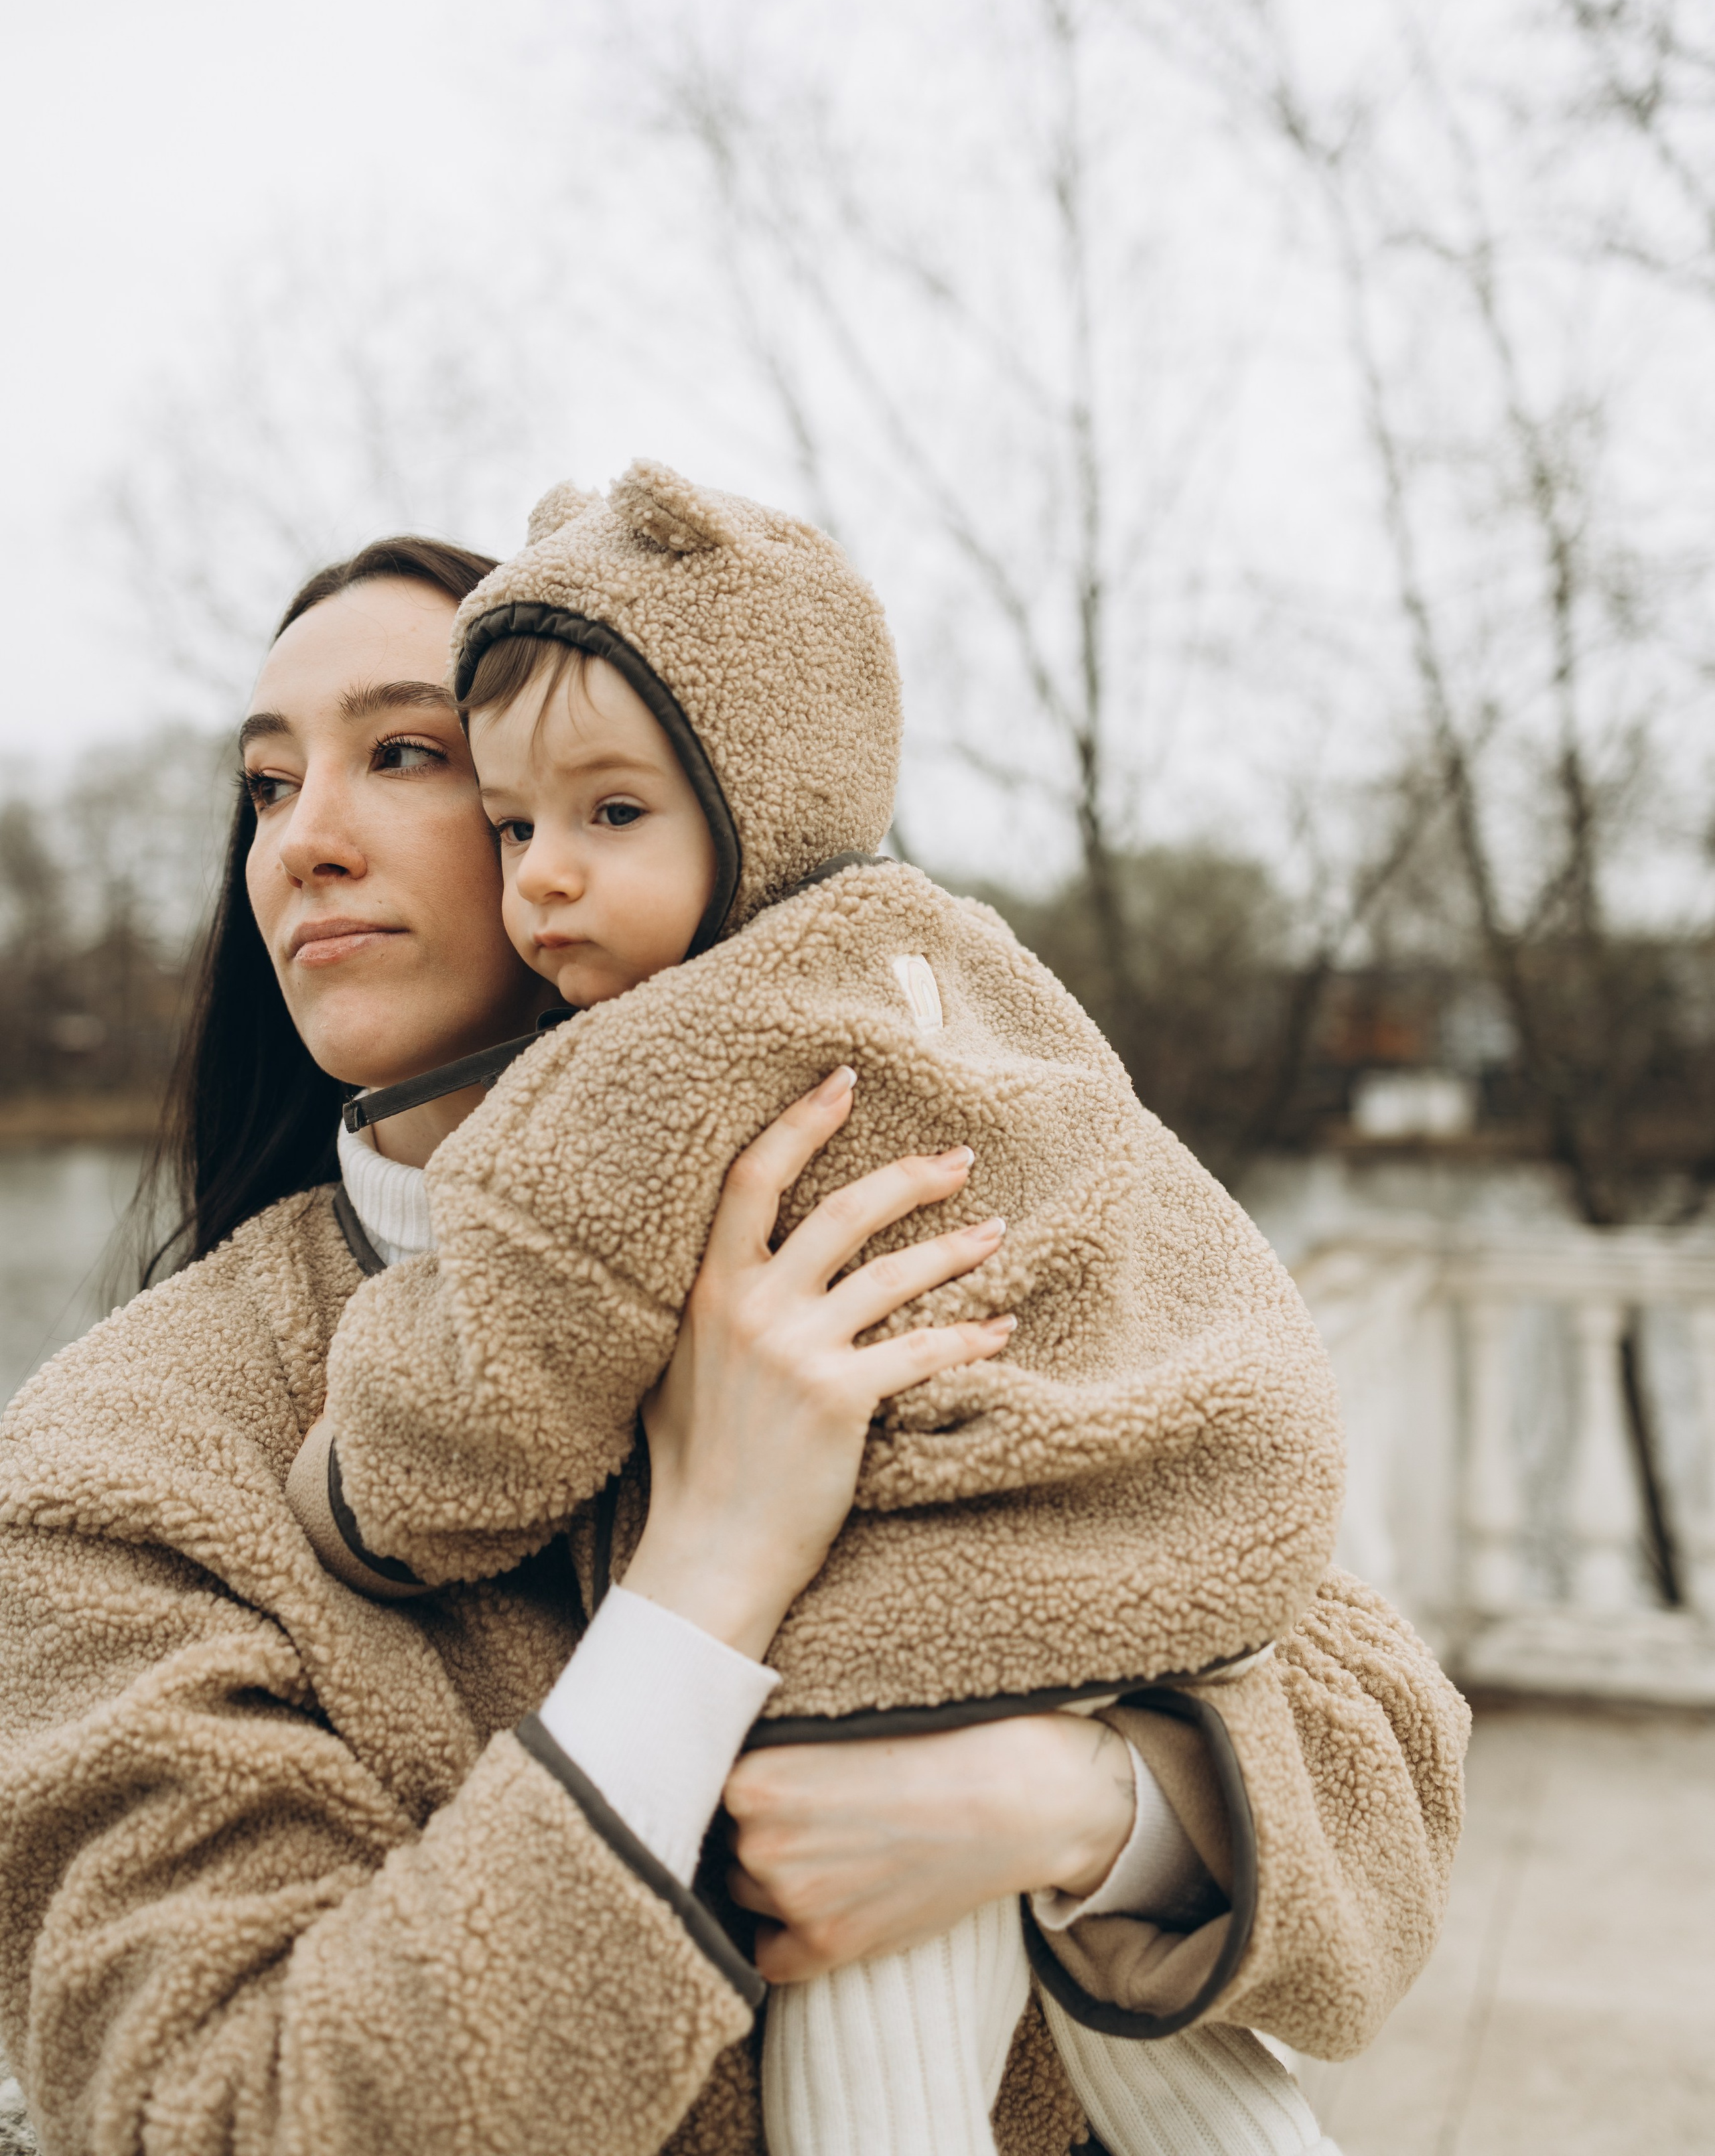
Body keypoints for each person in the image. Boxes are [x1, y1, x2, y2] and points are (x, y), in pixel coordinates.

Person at [0, 531, 1468, 2156]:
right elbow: (222, 2116)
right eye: (266, 787)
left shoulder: (921, 1200)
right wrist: (704, 1569)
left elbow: (1376, 1745)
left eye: (404, 755)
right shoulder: (119, 1459)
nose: (305, 844)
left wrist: (1062, 1803)